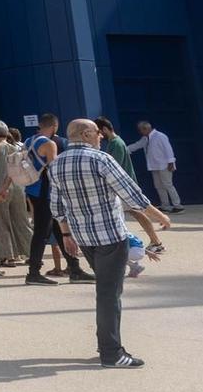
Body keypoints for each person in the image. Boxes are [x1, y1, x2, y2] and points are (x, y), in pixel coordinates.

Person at [48, 118, 166, 369]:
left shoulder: (57, 163)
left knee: (105, 290)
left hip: (84, 237)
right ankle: (112, 353)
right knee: (109, 294)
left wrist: (67, 235)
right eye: (97, 133)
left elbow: (56, 206)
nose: (101, 136)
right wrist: (160, 217)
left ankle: (106, 344)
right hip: (110, 236)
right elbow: (132, 195)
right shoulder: (101, 160)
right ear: (86, 133)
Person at [25, 113, 89, 285]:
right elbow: (55, 169)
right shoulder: (49, 143)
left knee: (59, 229)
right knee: (41, 231)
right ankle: (33, 273)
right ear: (55, 126)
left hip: (33, 189)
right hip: (46, 191)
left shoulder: (29, 140)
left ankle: (74, 269)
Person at [0, 122, 29, 268]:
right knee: (21, 220)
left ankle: (7, 255)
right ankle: (31, 251)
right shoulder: (16, 147)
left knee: (0, 221)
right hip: (17, 187)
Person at [130, 121, 183, 212]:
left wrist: (171, 162)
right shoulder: (145, 139)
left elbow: (168, 149)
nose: (140, 132)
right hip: (154, 166)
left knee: (168, 185)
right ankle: (165, 205)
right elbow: (136, 145)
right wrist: (124, 149)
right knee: (158, 186)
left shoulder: (160, 136)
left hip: (164, 165)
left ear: (145, 129)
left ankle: (177, 205)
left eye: (141, 130)